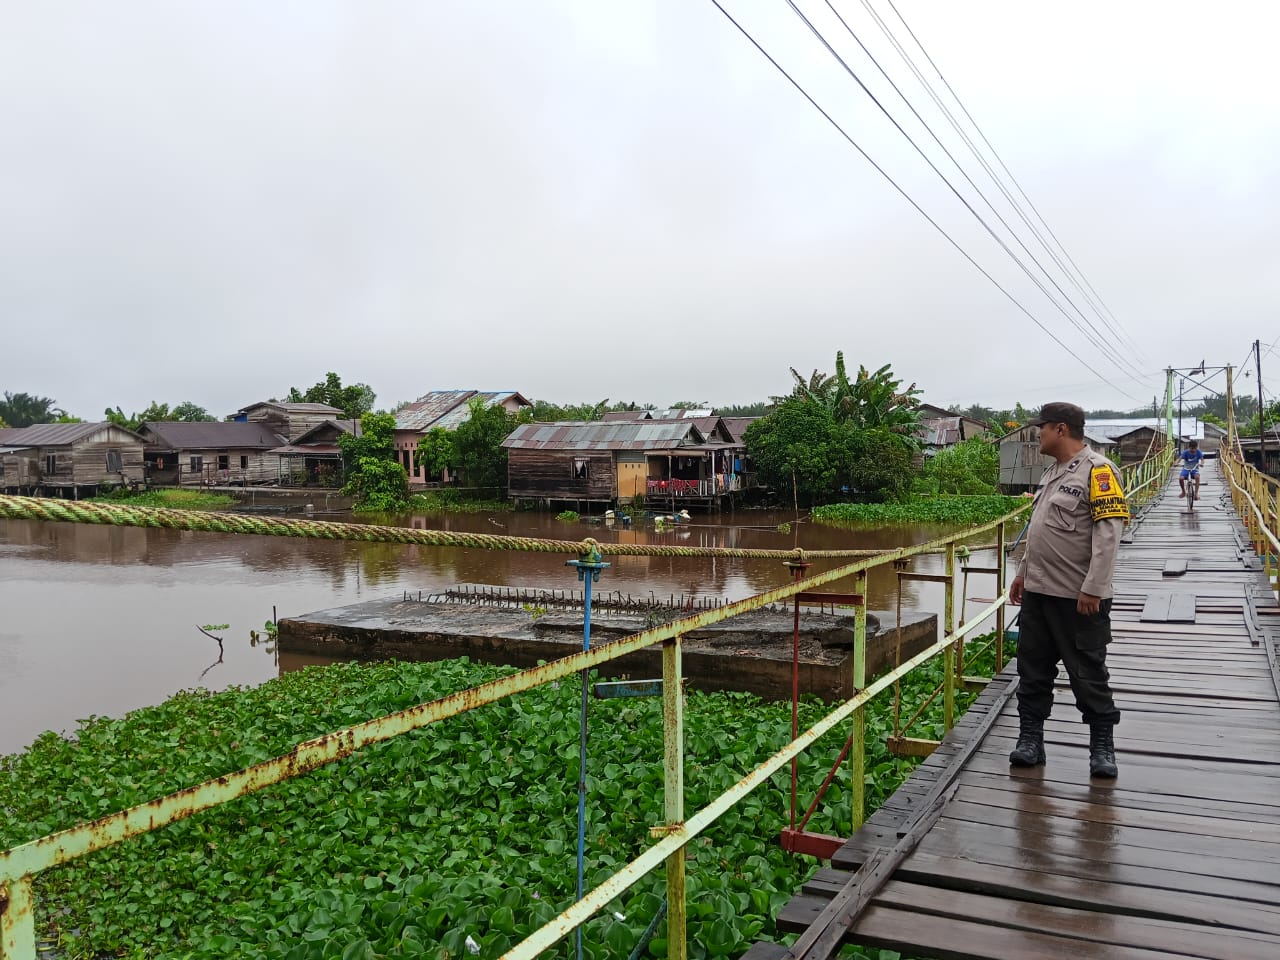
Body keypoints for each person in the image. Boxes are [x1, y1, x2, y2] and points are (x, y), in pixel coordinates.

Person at [1009, 402, 1129, 778]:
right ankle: (1031, 740)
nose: (1037, 433)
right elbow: (1040, 530)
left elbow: (1108, 535)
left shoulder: (1099, 471)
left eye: (1041, 427)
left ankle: (1102, 747)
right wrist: (1023, 574)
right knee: (1032, 670)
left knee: (1088, 672)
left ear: (1061, 429)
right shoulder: (1051, 473)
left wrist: (1094, 588)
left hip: (1078, 598)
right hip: (1039, 594)